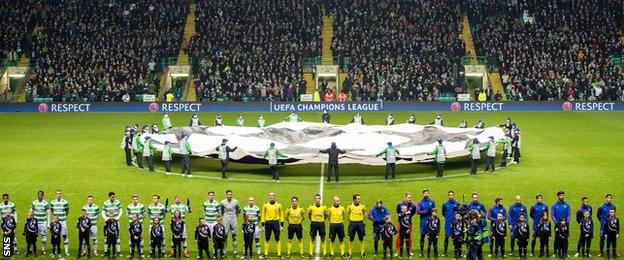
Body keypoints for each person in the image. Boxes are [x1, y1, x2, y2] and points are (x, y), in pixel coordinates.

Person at [260, 192, 284, 258]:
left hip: (276, 223)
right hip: (268, 223)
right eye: (270, 196)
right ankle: (266, 254)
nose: (271, 197)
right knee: (267, 238)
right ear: (268, 197)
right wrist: (262, 225)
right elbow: (263, 215)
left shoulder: (279, 205)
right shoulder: (265, 205)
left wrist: (281, 225)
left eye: (273, 196)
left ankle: (279, 254)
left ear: (275, 197)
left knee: (277, 238)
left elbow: (281, 215)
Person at [394, 193, 417, 257]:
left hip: (409, 224)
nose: (409, 199)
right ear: (405, 198)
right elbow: (398, 211)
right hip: (400, 224)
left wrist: (407, 219)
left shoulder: (413, 206)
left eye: (410, 197)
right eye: (408, 197)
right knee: (399, 237)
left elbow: (412, 213)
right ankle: (397, 251)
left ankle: (409, 251)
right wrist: (403, 218)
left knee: (409, 237)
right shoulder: (400, 204)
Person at [220, 190, 241, 257]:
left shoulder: (236, 202)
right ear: (226, 195)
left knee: (234, 236)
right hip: (226, 219)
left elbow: (239, 209)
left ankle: (235, 252)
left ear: (232, 195)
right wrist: (224, 216)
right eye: (228, 194)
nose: (229, 195)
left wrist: (235, 215)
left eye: (230, 194)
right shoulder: (222, 202)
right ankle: (224, 252)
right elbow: (221, 210)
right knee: (225, 236)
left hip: (233, 219)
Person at [50, 190, 70, 256]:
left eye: (60, 194)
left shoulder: (65, 202)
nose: (58, 195)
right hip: (55, 222)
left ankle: (66, 251)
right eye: (57, 194)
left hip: (63, 221)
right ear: (55, 194)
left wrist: (62, 217)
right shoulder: (52, 202)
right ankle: (54, 251)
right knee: (54, 236)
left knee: (65, 236)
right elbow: (52, 211)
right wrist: (54, 219)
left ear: (61, 194)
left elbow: (67, 211)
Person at [346, 194, 367, 258]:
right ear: (354, 199)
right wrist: (350, 219)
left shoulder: (362, 206)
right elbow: (347, 213)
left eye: (360, 199)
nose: (360, 200)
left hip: (360, 223)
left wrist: (362, 219)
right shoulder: (350, 206)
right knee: (351, 238)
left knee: (361, 238)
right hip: (352, 224)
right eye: (358, 199)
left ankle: (362, 253)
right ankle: (350, 253)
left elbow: (365, 213)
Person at [416, 189, 436, 257]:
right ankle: (421, 251)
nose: (426, 194)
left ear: (429, 194)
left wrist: (433, 214)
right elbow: (417, 212)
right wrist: (426, 212)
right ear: (423, 194)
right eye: (425, 193)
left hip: (431, 221)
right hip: (423, 221)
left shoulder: (432, 202)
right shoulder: (419, 202)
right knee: (422, 236)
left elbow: (434, 211)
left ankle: (433, 251)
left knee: (432, 236)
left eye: (427, 193)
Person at [442, 191, 460, 257]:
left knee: (457, 238)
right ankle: (445, 252)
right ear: (448, 196)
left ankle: (458, 252)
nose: (451, 196)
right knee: (446, 237)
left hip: (456, 224)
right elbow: (443, 213)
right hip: (448, 224)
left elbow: (459, 213)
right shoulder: (445, 204)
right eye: (449, 195)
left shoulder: (457, 203)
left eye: (452, 195)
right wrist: (448, 218)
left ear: (453, 195)